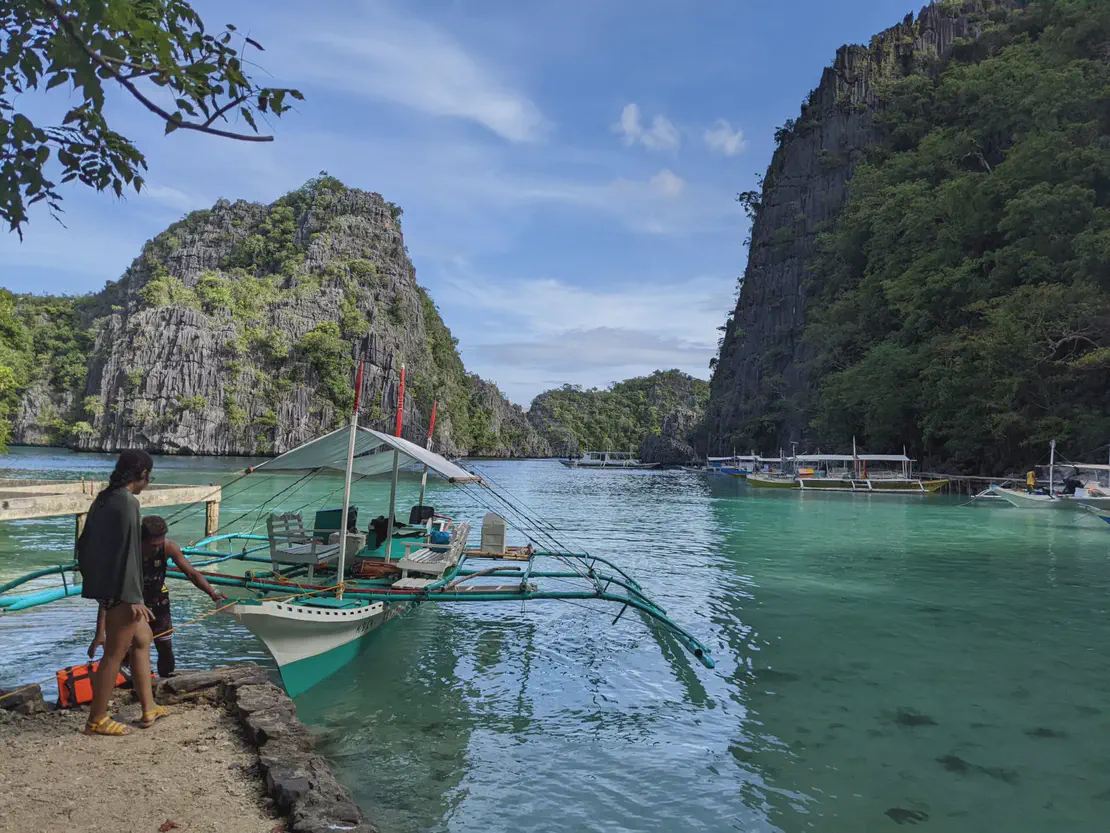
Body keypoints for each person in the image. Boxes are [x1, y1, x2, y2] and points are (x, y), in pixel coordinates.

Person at [77, 449, 166, 736]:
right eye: (148, 476)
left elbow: (84, 544)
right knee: (114, 654)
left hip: (108, 583)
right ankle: (97, 719)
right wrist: (133, 598)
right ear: (143, 475)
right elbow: (129, 552)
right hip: (122, 590)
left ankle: (148, 707)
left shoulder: (102, 499)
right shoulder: (128, 502)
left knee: (143, 638)